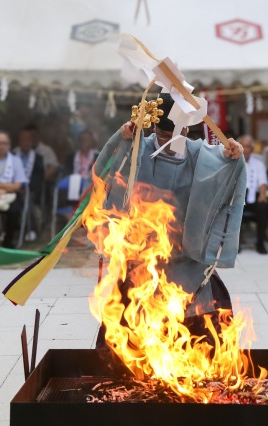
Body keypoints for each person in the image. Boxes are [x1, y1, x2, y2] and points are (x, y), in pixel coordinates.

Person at [92, 93, 245, 344]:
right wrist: (122, 139)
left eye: (174, 133)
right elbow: (103, 173)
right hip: (143, 259)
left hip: (187, 257)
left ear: (186, 127)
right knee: (125, 327)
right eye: (163, 134)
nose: (168, 140)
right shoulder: (139, 150)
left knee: (207, 325)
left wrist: (232, 155)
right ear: (153, 126)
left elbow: (225, 166)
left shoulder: (200, 155)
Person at [13, 128, 45, 241]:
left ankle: (30, 229)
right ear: (19, 141)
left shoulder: (38, 158)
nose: (26, 142)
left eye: (29, 139)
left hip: (30, 190)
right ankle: (10, 230)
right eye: (23, 139)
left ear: (33, 141)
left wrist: (26, 187)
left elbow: (38, 179)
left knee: (28, 201)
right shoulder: (12, 156)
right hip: (12, 188)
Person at [240, 135, 268, 255]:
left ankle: (261, 242)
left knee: (263, 206)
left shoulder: (259, 164)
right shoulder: (232, 162)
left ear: (251, 149)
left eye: (247, 147)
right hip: (238, 197)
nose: (245, 149)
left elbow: (263, 182)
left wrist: (262, 195)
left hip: (253, 195)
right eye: (242, 146)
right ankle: (234, 243)